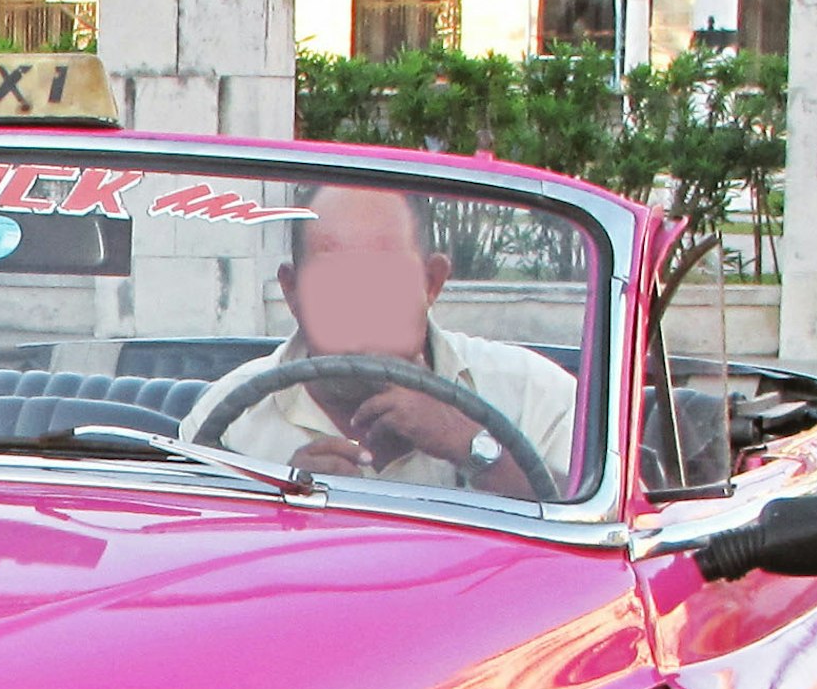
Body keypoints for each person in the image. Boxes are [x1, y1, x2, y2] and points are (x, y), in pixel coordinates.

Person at [207, 182, 586, 499]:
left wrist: (473, 447)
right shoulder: (229, 418)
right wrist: (280, 507)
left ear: (431, 283)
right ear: (292, 292)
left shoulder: (538, 395)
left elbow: (611, 530)